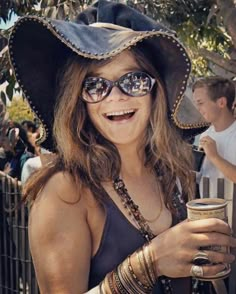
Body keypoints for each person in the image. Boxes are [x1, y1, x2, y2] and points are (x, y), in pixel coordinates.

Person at [9, 1, 236, 293]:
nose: (115, 97)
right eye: (95, 85)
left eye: (134, 80)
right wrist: (150, 263)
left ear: (156, 92)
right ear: (79, 100)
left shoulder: (174, 173)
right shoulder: (66, 191)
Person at [192, 76, 236, 226]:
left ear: (221, 102)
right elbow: (200, 178)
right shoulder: (204, 136)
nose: (198, 108)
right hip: (209, 218)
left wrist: (214, 157)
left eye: (201, 103)